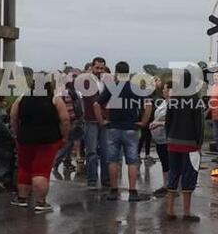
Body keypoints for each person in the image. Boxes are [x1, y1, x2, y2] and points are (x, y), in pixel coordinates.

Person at [95, 61, 152, 202]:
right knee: (132, 161)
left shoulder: (111, 87)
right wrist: (144, 122)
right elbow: (149, 105)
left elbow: (96, 104)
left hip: (113, 127)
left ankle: (113, 190)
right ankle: (132, 192)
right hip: (131, 128)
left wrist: (102, 120)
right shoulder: (135, 88)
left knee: (113, 160)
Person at [10, 79, 70, 212]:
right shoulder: (55, 100)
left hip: (25, 139)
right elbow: (65, 120)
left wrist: (16, 133)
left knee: (24, 168)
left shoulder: (21, 98)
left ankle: (22, 198)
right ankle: (40, 202)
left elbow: (13, 116)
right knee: (41, 170)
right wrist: (64, 136)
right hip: (48, 140)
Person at [164, 70, 204, 221]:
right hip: (189, 145)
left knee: (174, 174)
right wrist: (199, 143)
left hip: (173, 143)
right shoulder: (195, 100)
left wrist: (169, 137)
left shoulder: (173, 99)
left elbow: (168, 121)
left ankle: (170, 210)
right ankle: (186, 212)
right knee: (189, 176)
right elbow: (199, 125)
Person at [81, 57, 110, 189]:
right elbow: (93, 101)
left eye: (101, 68)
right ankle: (92, 179)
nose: (99, 70)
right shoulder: (86, 80)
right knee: (91, 151)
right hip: (91, 120)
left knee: (105, 151)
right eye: (97, 68)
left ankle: (105, 179)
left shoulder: (106, 81)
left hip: (104, 120)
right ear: (92, 67)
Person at [52, 72, 84, 180]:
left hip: (70, 120)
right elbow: (70, 109)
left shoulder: (66, 92)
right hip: (71, 121)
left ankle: (67, 162)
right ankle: (56, 163)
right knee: (67, 144)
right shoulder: (69, 93)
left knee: (69, 145)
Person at [149, 80, 171, 197]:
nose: (163, 91)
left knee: (169, 162)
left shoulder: (174, 104)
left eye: (166, 89)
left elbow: (173, 122)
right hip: (159, 138)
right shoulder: (163, 102)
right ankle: (166, 184)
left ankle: (171, 186)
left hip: (168, 138)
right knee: (164, 162)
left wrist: (159, 124)